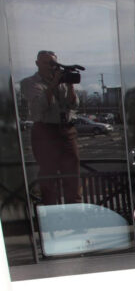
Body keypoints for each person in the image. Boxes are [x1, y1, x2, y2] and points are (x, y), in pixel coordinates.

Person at [20, 50, 81, 204]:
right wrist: (54, 84)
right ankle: (51, 211)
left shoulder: (61, 82)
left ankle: (75, 210)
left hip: (66, 130)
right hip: (45, 131)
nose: (51, 67)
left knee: (72, 174)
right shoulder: (29, 82)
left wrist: (70, 86)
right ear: (37, 63)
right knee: (48, 175)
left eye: (53, 63)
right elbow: (40, 106)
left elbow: (73, 105)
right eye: (47, 63)